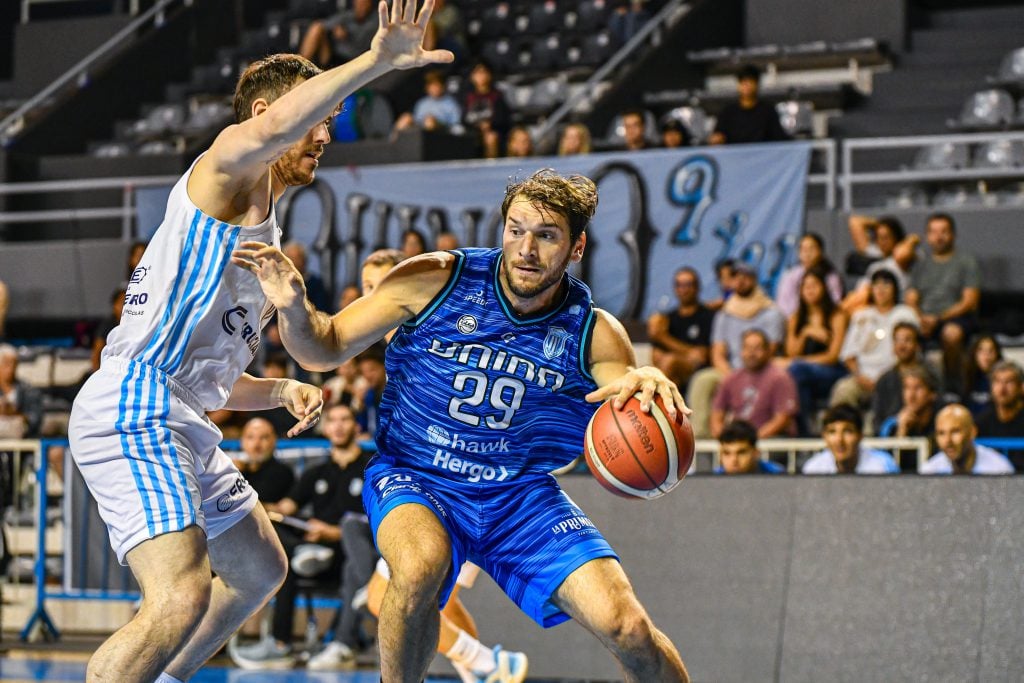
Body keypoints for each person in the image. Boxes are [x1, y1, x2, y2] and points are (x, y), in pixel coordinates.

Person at [66, 5, 452, 681]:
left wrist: (279, 389)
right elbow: (274, 129)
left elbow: (210, 379)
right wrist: (376, 62)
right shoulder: (224, 171)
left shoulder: (265, 237)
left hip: (179, 408)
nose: (325, 134)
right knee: (179, 594)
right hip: (134, 404)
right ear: (270, 112)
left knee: (259, 568)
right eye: (319, 117)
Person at [233, 168, 691, 682]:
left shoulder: (594, 332)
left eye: (546, 236)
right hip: (417, 475)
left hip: (518, 495)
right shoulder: (436, 278)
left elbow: (624, 388)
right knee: (419, 568)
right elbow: (324, 348)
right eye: (515, 230)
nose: (526, 249)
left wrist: (644, 380)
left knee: (629, 628)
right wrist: (295, 309)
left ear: (576, 247)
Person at [236, 402, 373, 668]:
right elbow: (282, 509)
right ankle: (281, 645)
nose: (338, 426)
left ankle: (343, 641)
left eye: (345, 419)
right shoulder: (315, 473)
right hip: (314, 554)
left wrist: (333, 532)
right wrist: (236, 483)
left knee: (350, 541)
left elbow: (376, 520)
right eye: (332, 420)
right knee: (281, 556)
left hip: (352, 553)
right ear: (325, 428)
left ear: (356, 427)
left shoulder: (370, 469)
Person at [686, 261, 786, 438]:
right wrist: (732, 377)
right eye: (735, 277)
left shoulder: (772, 313)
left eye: (745, 276)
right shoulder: (724, 314)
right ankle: (702, 441)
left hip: (762, 370)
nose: (740, 281)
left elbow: (769, 351)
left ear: (754, 279)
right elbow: (717, 354)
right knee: (703, 380)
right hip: (729, 370)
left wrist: (745, 376)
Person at [905, 213, 981, 381]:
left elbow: (969, 301)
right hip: (923, 319)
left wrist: (938, 319)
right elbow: (911, 298)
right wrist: (920, 318)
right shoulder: (920, 265)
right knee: (901, 334)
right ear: (927, 236)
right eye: (934, 232)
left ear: (953, 234)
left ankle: (953, 385)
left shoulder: (966, 262)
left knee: (951, 333)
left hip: (955, 317)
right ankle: (907, 385)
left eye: (944, 231)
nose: (939, 237)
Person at [829, 270, 919, 410]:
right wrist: (859, 377)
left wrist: (887, 378)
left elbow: (914, 349)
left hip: (897, 376)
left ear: (895, 288)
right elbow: (848, 355)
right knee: (843, 389)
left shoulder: (905, 314)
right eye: (876, 285)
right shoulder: (860, 315)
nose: (881, 289)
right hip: (863, 379)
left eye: (886, 284)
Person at [780, 268, 848, 434]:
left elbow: (833, 356)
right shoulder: (796, 317)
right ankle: (802, 429)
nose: (810, 290)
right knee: (795, 377)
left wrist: (800, 362)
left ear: (824, 288)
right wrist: (806, 333)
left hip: (833, 371)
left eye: (814, 285)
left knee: (796, 370)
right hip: (803, 375)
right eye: (806, 286)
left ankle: (804, 431)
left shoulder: (837, 315)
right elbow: (791, 352)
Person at [710, 329, 798, 438]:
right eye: (747, 348)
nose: (751, 353)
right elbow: (716, 414)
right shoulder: (731, 378)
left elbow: (783, 419)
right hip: (739, 439)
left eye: (757, 348)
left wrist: (753, 439)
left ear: (768, 351)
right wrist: (724, 438)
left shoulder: (780, 378)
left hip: (773, 440)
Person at [646, 266, 714, 390]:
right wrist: (687, 352)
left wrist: (663, 338)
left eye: (688, 284)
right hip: (672, 376)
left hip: (699, 372)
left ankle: (658, 399)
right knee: (647, 370)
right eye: (679, 285)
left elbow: (701, 357)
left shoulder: (708, 316)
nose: (683, 289)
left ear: (697, 287)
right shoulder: (668, 318)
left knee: (670, 362)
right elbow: (656, 356)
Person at [871, 322, 941, 431]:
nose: (902, 346)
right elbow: (877, 422)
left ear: (917, 345)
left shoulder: (931, 374)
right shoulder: (884, 380)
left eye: (907, 340)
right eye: (897, 340)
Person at [841, 214, 918, 312]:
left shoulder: (901, 259)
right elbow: (855, 222)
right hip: (864, 301)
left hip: (889, 304)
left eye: (886, 237)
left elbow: (902, 252)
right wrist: (880, 225)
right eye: (878, 237)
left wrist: (911, 240)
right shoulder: (876, 253)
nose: (882, 242)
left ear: (896, 238)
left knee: (863, 294)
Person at [801, 405, 899, 474]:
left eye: (847, 431)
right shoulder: (813, 469)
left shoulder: (882, 466)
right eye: (832, 432)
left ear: (860, 436)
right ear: (824, 436)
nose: (839, 440)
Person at [920, 404, 1014, 475]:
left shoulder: (999, 470)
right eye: (941, 433)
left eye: (955, 431)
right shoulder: (929, 472)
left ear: (972, 432)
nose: (948, 441)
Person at [708, 64, 788, 145]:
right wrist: (717, 139)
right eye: (743, 82)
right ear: (738, 85)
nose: (746, 86)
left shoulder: (768, 111)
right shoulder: (728, 112)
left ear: (757, 84)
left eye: (750, 81)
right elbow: (717, 136)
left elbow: (779, 138)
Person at [774, 233, 843, 317]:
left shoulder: (831, 277)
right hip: (793, 318)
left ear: (820, 251)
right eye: (803, 249)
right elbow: (782, 303)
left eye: (811, 249)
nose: (807, 254)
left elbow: (835, 302)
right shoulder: (790, 275)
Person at [232, 417, 294, 506]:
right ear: (242, 441)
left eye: (264, 437)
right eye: (250, 437)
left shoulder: (283, 473)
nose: (256, 444)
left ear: (274, 440)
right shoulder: (235, 471)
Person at [299, 0, 379, 69]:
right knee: (316, 27)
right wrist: (336, 29)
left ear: (370, 4)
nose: (360, 6)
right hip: (333, 55)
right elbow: (326, 24)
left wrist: (346, 35)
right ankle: (299, 67)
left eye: (363, 4)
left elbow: (358, 47)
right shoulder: (349, 15)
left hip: (350, 61)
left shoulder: (375, 21)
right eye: (358, 3)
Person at [878, 366, 941, 448]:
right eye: (907, 388)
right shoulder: (892, 426)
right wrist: (902, 430)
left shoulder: (942, 422)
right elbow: (889, 455)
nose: (911, 396)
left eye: (918, 388)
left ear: (932, 394)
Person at [462, 59, 511, 159]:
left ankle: (491, 166)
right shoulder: (468, 97)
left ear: (489, 75)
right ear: (472, 77)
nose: (481, 76)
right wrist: (477, 126)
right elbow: (464, 119)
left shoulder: (497, 96)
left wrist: (489, 125)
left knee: (490, 138)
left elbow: (502, 119)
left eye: (483, 72)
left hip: (493, 131)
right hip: (473, 132)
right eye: (477, 73)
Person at [948, 333, 1001, 415]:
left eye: (991, 351)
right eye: (981, 350)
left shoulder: (1002, 379)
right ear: (974, 353)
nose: (986, 355)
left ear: (997, 354)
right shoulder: (964, 376)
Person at [395, 69, 463, 133]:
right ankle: (393, 140)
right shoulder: (422, 102)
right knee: (406, 118)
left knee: (429, 121)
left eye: (436, 86)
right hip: (421, 130)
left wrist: (436, 122)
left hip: (441, 132)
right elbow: (417, 120)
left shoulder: (450, 103)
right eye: (431, 86)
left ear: (442, 87)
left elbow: (456, 125)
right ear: (427, 88)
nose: (434, 89)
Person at [0, 344, 44, 438]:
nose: (11, 368)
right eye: (6, 364)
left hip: (22, 441)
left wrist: (14, 414)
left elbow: (36, 419)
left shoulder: (28, 390)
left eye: (14, 364)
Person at [714, 419, 784, 474]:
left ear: (756, 453)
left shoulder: (778, 475)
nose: (734, 460)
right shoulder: (714, 478)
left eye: (741, 453)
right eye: (726, 453)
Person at [976, 360, 1024, 437]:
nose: (1002, 389)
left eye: (1009, 382)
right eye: (997, 382)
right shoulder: (982, 421)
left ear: (1020, 387)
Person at [282, 241, 330, 312]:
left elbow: (321, 310)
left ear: (305, 260)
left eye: (297, 258)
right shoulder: (278, 283)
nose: (293, 262)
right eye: (290, 258)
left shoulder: (315, 284)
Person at [91, 287, 127, 373]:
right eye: (122, 303)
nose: (125, 307)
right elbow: (97, 352)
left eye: (127, 303)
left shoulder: (136, 324)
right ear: (114, 305)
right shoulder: (107, 325)